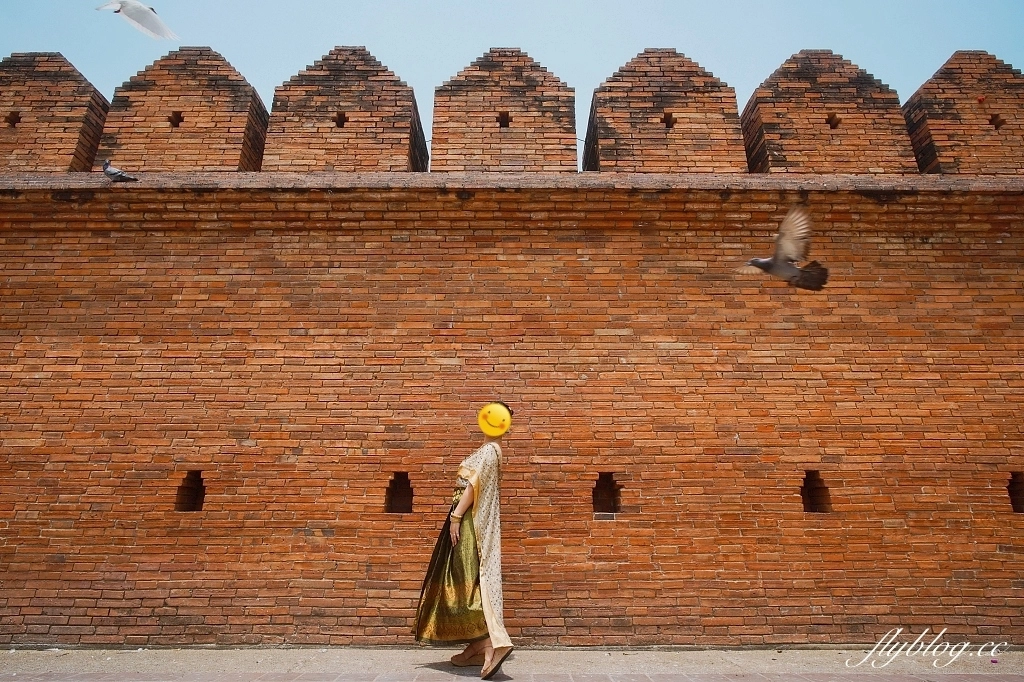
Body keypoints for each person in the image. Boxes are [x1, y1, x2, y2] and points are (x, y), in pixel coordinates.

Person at [414, 402, 515, 680]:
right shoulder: (490, 450)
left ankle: (492, 641)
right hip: (465, 517)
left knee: (466, 579)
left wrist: (456, 517)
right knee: (464, 579)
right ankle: (477, 644)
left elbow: (474, 484)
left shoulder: (491, 451)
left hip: (468, 521)